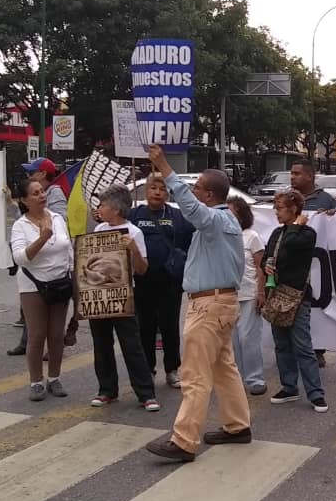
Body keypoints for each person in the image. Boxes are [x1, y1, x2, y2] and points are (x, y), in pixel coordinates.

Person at [144, 145, 251, 463]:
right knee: (224, 369)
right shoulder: (227, 220)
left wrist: (163, 165)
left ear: (208, 195)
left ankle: (184, 440)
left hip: (209, 305)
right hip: (221, 304)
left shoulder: (214, 220)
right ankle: (237, 425)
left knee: (195, 375)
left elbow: (189, 208)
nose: (192, 191)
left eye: (197, 187)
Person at [88, 184, 160, 412]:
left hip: (124, 294)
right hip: (99, 294)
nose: (100, 208)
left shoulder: (134, 233)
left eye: (104, 204)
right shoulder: (99, 229)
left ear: (116, 209)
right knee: (101, 343)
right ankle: (107, 389)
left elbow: (142, 269)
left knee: (132, 344)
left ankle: (145, 393)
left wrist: (134, 251)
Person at [263, 189, 329, 412]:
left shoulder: (306, 234)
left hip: (297, 296)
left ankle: (316, 393)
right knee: (281, 344)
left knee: (303, 345)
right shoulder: (276, 233)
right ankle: (289, 387)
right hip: (276, 294)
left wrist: (295, 226)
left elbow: (290, 246)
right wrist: (267, 265)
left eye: (280, 208)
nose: (276, 213)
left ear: (294, 209)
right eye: (275, 208)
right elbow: (268, 256)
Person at [128, 174, 193, 388]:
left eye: (162, 189)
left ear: (168, 193)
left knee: (169, 327)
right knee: (144, 327)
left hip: (169, 282)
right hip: (142, 280)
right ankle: (148, 369)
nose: (157, 192)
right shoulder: (134, 215)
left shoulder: (177, 216)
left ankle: (172, 369)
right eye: (153, 188)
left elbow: (189, 243)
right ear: (146, 191)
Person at [10, 179, 73, 401]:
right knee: (36, 335)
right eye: (35, 193)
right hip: (33, 286)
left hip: (60, 282)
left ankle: (54, 378)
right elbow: (20, 258)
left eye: (42, 191)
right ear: (25, 200)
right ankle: (36, 381)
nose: (42, 195)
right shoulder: (20, 225)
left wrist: (73, 275)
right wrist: (43, 237)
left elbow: (68, 249)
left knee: (57, 335)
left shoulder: (57, 218)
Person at [289, 158, 336, 368]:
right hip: (292, 264)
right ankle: (292, 349)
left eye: (297, 173)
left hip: (317, 264)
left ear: (309, 176)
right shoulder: (287, 199)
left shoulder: (326, 200)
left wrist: (332, 217)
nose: (293, 177)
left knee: (317, 308)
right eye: (292, 173)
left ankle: (317, 350)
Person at [228, 196, 268, 396]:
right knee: (232, 340)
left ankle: (255, 378)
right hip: (228, 295)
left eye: (232, 212)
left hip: (249, 293)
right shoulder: (223, 235)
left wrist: (261, 292)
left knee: (247, 338)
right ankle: (235, 379)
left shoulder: (251, 236)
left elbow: (261, 266)